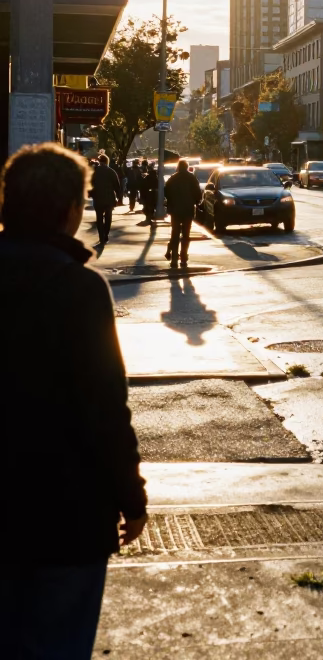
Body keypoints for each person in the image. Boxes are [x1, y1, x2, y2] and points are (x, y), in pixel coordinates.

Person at [0, 142, 147, 658]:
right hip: (66, 517)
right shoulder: (79, 290)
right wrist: (132, 498)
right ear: (70, 210)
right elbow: (105, 408)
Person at [163, 158, 202, 266]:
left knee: (175, 233)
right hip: (188, 210)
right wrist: (197, 202)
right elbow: (198, 193)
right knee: (186, 234)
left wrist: (170, 201)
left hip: (175, 210)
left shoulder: (172, 178)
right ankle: (183, 257)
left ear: (178, 167)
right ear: (187, 167)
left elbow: (166, 192)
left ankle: (174, 258)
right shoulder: (192, 178)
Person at [90, 153, 121, 245]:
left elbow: (89, 185)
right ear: (107, 162)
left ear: (99, 162)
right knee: (108, 217)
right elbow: (117, 186)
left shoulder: (94, 172)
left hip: (98, 198)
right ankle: (106, 235)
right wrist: (119, 198)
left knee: (99, 218)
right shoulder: (112, 172)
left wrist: (91, 194)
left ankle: (101, 237)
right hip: (109, 199)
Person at [140, 160, 158, 226]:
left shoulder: (147, 177)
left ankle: (149, 218)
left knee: (147, 207)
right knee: (151, 207)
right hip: (153, 194)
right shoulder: (155, 177)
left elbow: (143, 186)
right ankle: (150, 217)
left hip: (148, 194)